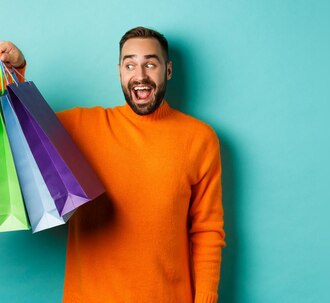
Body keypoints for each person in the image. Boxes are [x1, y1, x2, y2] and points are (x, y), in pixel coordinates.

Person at [0, 27, 226, 303]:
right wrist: (15, 73)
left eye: (150, 64)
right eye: (130, 64)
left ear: (168, 70)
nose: (140, 76)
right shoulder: (81, 128)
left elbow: (206, 231)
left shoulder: (200, 139)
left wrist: (205, 299)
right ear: (120, 71)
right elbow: (22, 133)